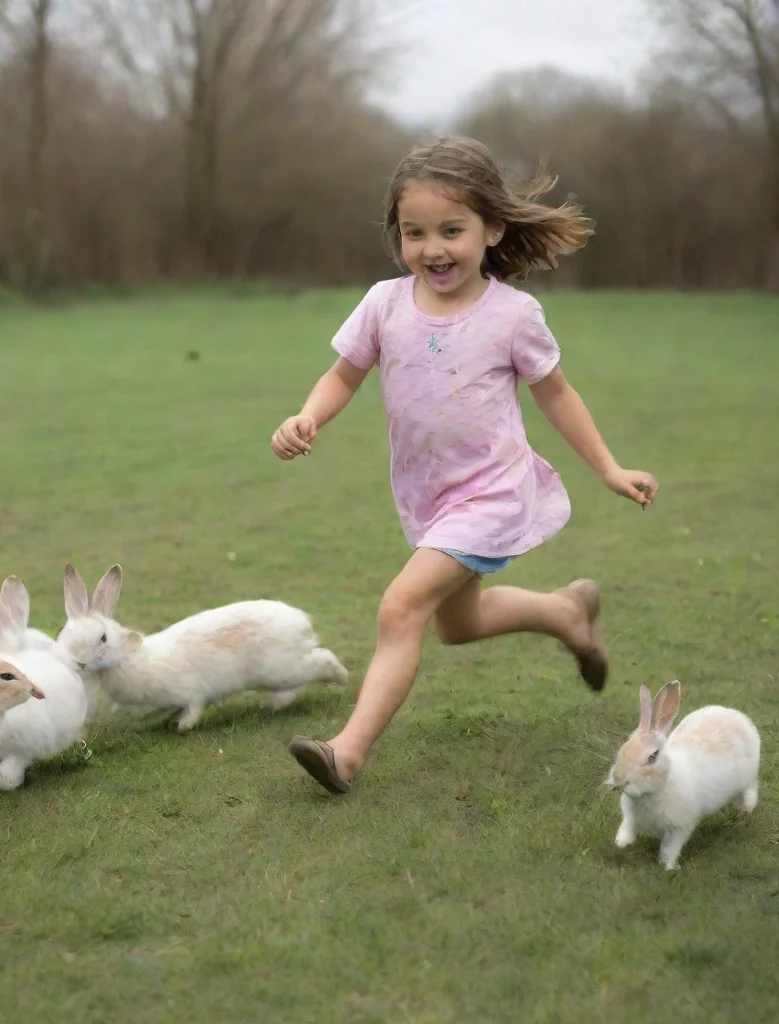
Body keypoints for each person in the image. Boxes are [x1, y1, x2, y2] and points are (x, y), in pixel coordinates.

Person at [270, 136, 659, 796]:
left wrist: (609, 468)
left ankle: (347, 753)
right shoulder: (384, 304)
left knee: (401, 609)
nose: (433, 248)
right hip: (429, 497)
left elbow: (557, 395)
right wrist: (306, 416)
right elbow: (342, 375)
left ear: (492, 228)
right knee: (457, 624)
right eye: (415, 232)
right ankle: (566, 614)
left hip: (492, 492)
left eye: (452, 230)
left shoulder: (512, 316)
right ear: (397, 235)